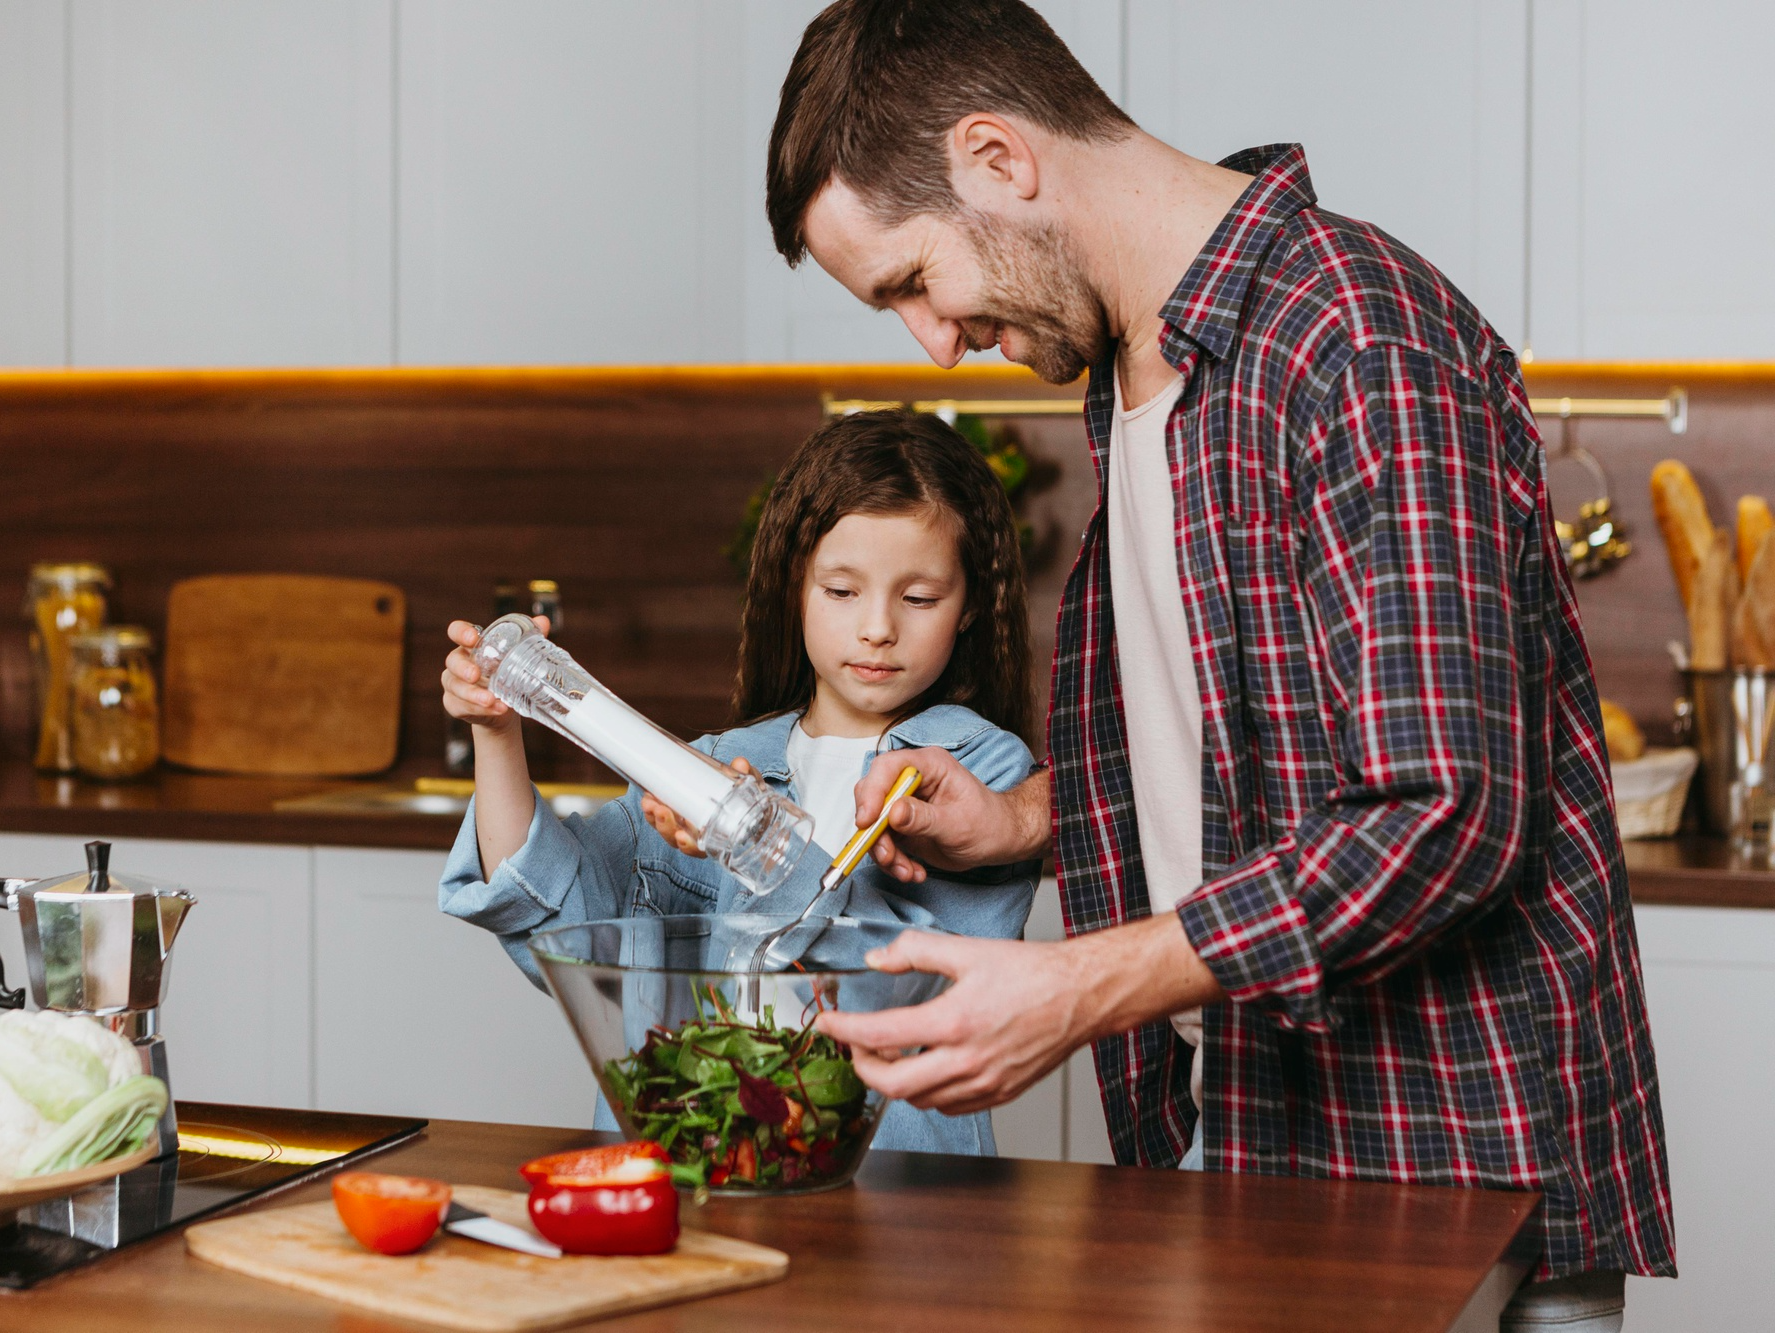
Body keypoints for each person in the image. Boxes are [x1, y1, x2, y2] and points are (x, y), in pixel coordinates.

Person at [762, 2, 1672, 1327]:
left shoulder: (1356, 340)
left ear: (999, 160)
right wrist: (1022, 819)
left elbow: (1447, 811)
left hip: (1438, 1172)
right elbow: (1248, 760)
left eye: (910, 280)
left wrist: (1079, 985)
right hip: (1243, 1147)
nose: (931, 341)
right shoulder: (1136, 369)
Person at [437, 408, 1041, 1156]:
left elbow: (919, 983)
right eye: (842, 591)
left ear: (972, 603)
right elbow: (553, 919)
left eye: (919, 598)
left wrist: (754, 841)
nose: (878, 627)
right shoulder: (715, 763)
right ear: (796, 585)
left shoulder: (984, 774)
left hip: (892, 1189)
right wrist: (497, 730)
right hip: (699, 1171)